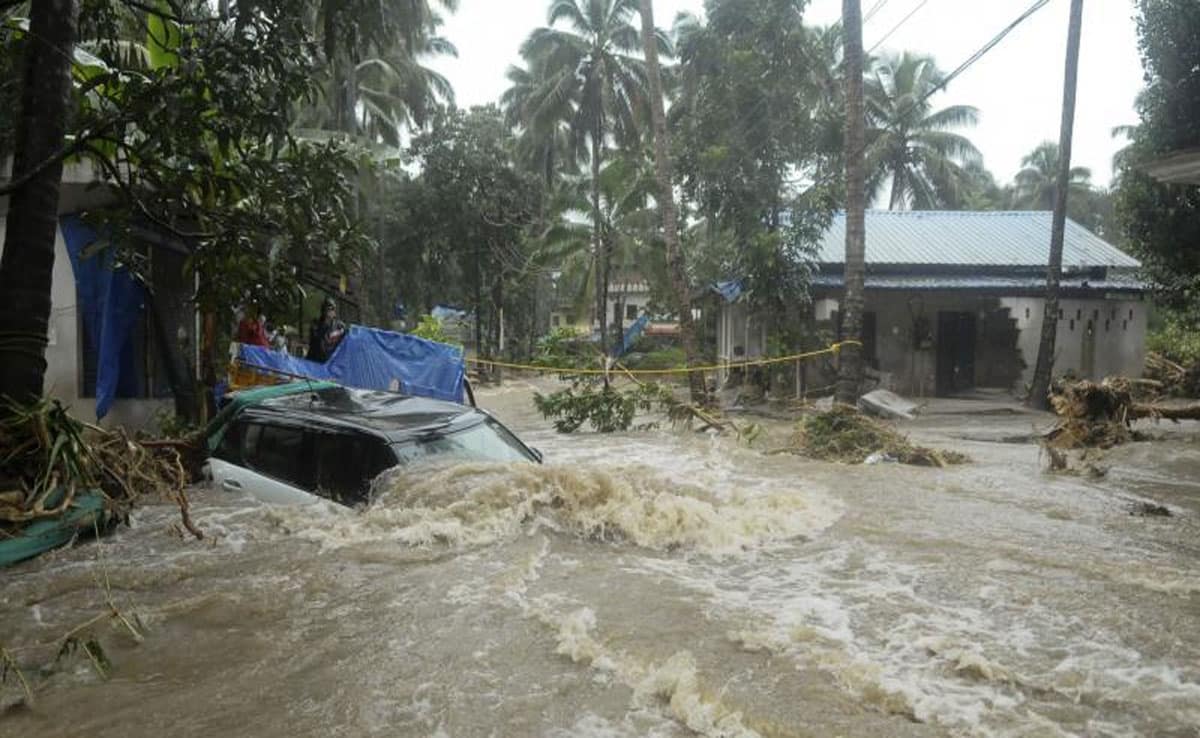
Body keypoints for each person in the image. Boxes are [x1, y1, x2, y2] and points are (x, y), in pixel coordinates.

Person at [308, 296, 347, 362]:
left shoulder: (340, 326)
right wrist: (325, 325)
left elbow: (345, 342)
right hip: (315, 361)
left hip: (331, 362)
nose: (329, 312)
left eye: (331, 309)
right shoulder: (316, 324)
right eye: (327, 309)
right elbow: (315, 342)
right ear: (323, 310)